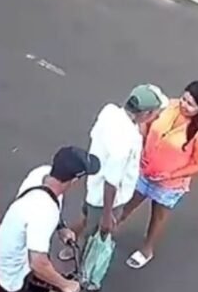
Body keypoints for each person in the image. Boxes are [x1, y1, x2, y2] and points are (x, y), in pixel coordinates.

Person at [58, 84, 167, 263]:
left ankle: (71, 242)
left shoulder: (109, 112)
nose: (157, 116)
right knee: (96, 236)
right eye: (156, 113)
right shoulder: (126, 141)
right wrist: (107, 216)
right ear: (145, 114)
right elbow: (111, 181)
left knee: (86, 217)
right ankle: (86, 268)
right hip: (107, 200)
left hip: (93, 185)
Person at [0, 146, 100, 292]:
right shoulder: (43, 212)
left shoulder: (42, 174)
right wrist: (66, 285)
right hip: (8, 271)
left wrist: (61, 228)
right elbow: (38, 263)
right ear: (74, 180)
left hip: (24, 252)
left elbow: (51, 204)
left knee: (32, 285)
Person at [117, 80, 198, 269]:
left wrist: (170, 174)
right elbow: (147, 122)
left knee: (157, 217)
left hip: (169, 185)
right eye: (184, 98)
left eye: (190, 104)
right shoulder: (168, 106)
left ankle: (147, 249)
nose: (183, 105)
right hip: (144, 171)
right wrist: (142, 146)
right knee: (126, 203)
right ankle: (107, 232)